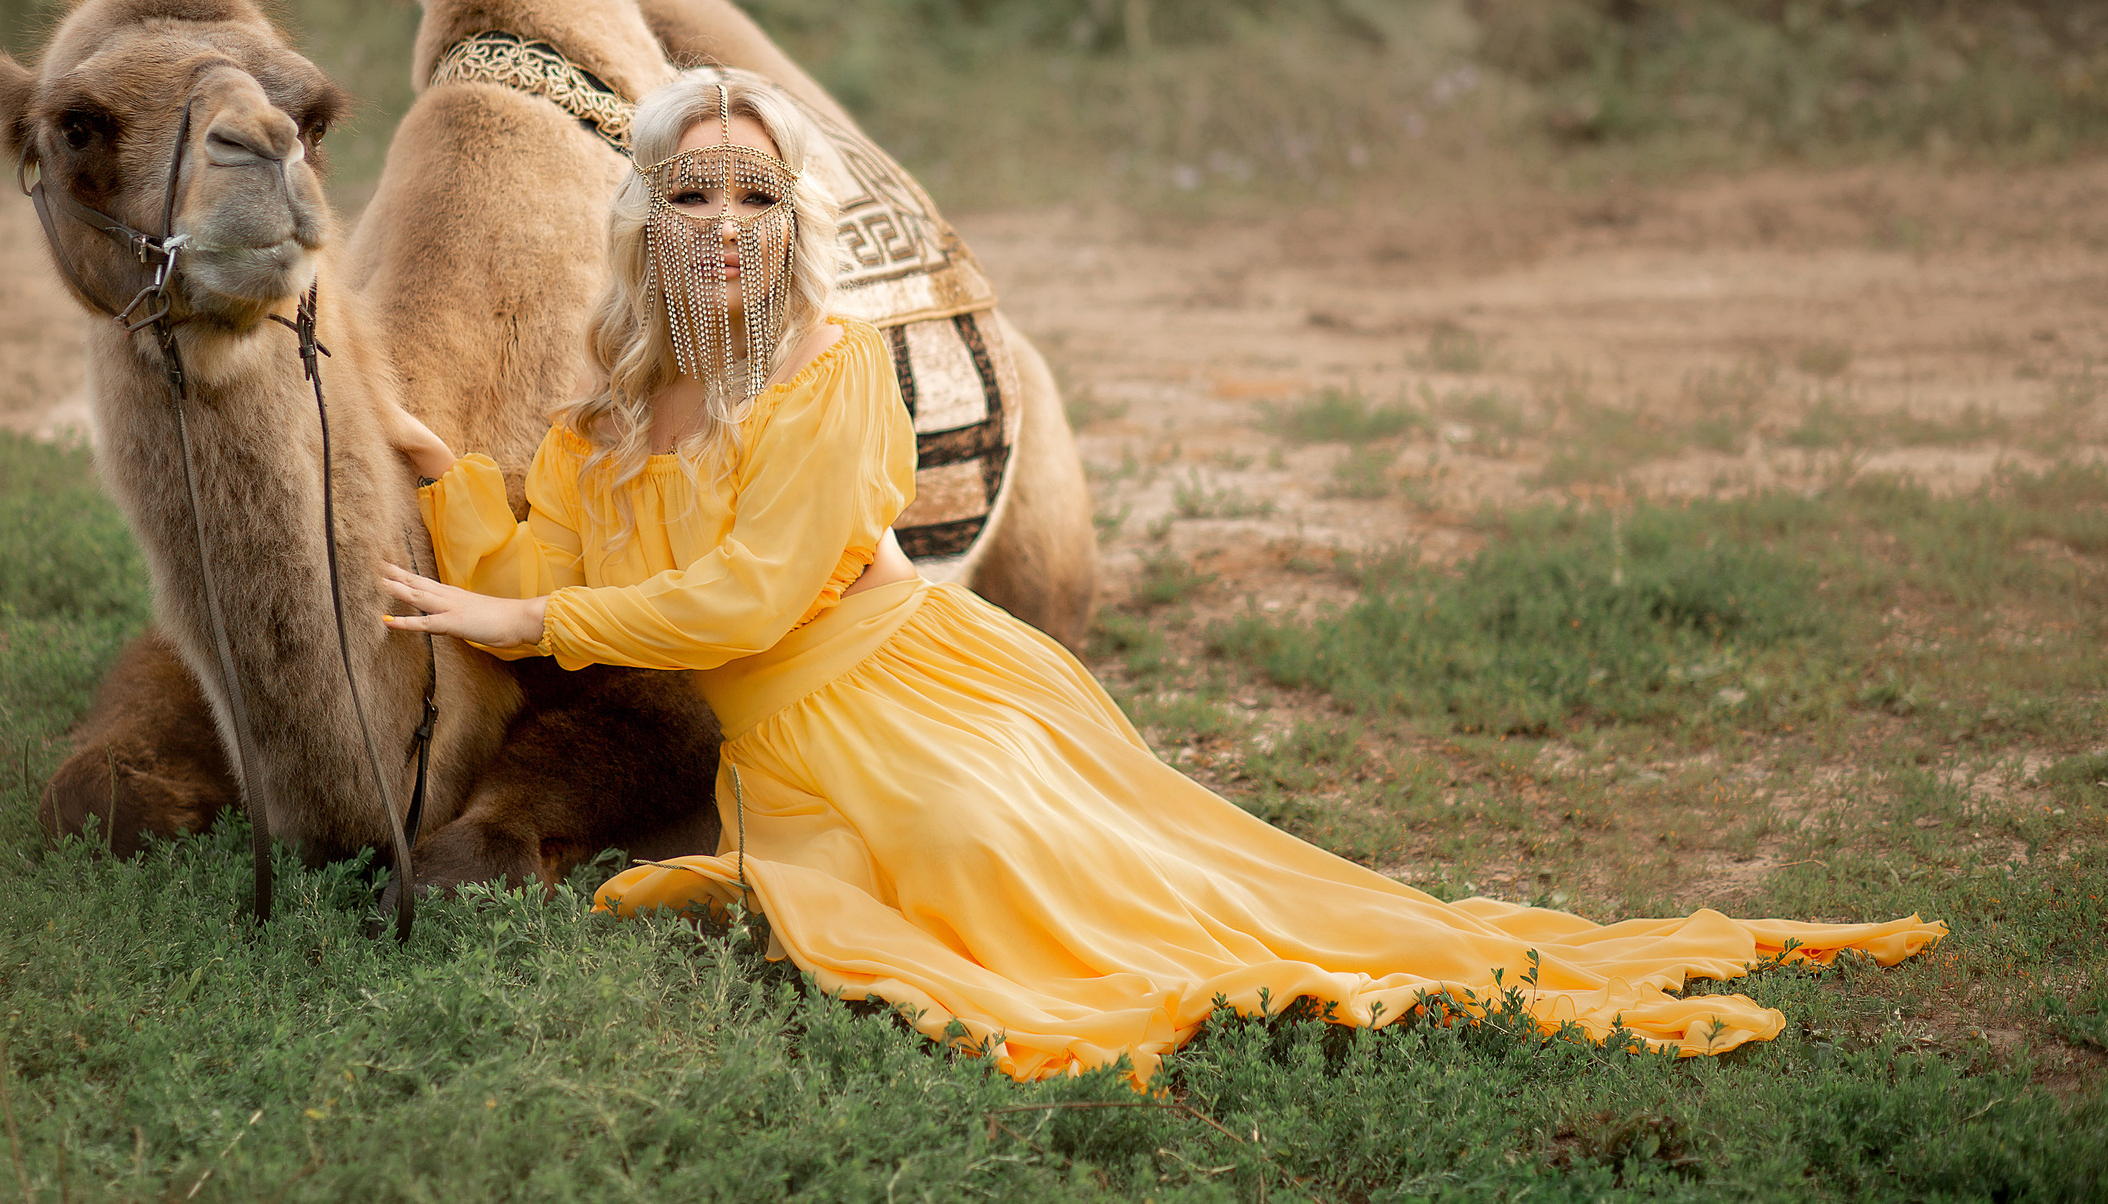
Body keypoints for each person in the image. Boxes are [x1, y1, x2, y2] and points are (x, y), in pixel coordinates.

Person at [377, 70, 1943, 1084]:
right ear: (646, 214)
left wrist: (523, 616)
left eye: (758, 197)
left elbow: (748, 595)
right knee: (866, 905)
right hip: (786, 750)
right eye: (695, 194)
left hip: (907, 689)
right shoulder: (599, 424)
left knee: (1004, 866)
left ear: (792, 224)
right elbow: (557, 563)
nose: (725, 224)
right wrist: (443, 480)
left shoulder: (831, 370)